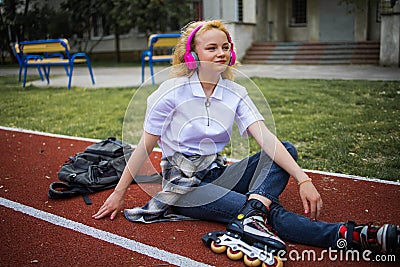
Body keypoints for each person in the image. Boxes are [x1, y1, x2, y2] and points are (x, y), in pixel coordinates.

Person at [93, 20, 399, 258]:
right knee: (270, 211)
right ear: (192, 55)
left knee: (285, 152)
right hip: (183, 185)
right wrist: (119, 192)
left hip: (219, 172)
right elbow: (145, 145)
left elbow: (265, 137)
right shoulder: (170, 94)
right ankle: (348, 235)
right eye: (211, 48)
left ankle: (251, 215)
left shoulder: (235, 93)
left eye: (225, 47)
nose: (221, 53)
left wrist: (303, 178)